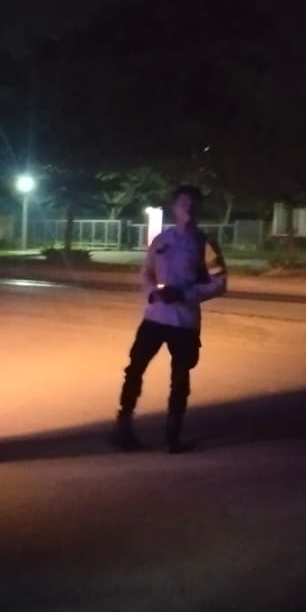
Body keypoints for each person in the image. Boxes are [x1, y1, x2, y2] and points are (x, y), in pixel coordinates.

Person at [110, 185, 227, 453]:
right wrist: (152, 293)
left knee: (180, 377)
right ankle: (123, 426)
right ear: (174, 207)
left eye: (193, 203)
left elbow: (220, 283)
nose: (188, 208)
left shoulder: (205, 244)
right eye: (183, 203)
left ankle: (173, 435)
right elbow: (146, 272)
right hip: (155, 317)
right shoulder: (161, 240)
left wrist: (184, 294)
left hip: (184, 322)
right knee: (134, 369)